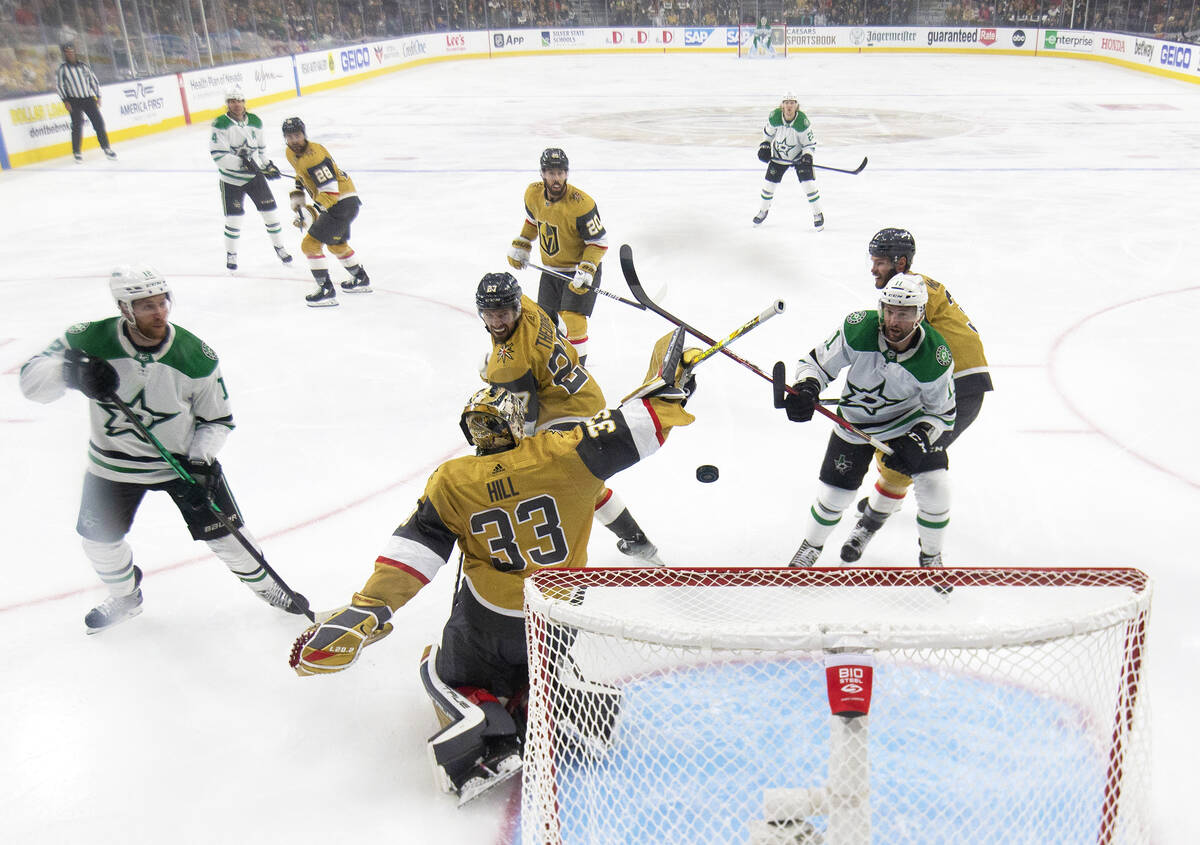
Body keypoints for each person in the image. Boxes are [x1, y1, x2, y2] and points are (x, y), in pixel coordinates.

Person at [288, 334, 698, 804]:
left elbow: (418, 548)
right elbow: (637, 427)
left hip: (486, 619)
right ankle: (555, 706)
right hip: (555, 618)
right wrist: (669, 389)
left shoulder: (453, 481)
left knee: (442, 671)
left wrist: (371, 607)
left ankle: (485, 733)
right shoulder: (568, 455)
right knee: (534, 669)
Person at [18, 264, 307, 633]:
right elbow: (30, 382)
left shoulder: (195, 356)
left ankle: (270, 590)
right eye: (146, 306)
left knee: (228, 536)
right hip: (112, 465)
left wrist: (201, 464)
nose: (159, 313)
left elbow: (217, 420)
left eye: (162, 302)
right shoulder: (87, 338)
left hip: (181, 464)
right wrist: (67, 372)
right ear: (125, 309)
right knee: (98, 540)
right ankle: (125, 597)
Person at [475, 271, 662, 562]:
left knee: (544, 485)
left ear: (515, 307)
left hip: (563, 415)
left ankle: (554, 564)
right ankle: (637, 541)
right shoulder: (528, 306)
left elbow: (524, 420)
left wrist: (502, 450)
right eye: (489, 314)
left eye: (502, 314)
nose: (497, 322)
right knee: (585, 482)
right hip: (585, 392)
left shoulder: (509, 365)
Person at [778, 274, 955, 569]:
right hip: (855, 425)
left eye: (904, 313)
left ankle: (931, 556)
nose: (894, 321)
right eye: (889, 311)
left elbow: (943, 413)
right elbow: (815, 364)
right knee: (835, 496)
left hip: (906, 425)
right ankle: (810, 547)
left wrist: (920, 436)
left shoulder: (935, 356)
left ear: (920, 315)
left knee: (936, 488)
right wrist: (808, 387)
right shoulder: (858, 328)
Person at [839, 228, 993, 563]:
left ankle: (874, 528)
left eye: (879, 262)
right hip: (954, 380)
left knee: (906, 455)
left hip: (958, 387)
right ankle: (887, 503)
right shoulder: (912, 290)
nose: (873, 269)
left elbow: (911, 349)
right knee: (903, 456)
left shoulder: (914, 292)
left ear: (901, 262)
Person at [506, 148, 606, 364]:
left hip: (579, 272)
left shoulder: (581, 203)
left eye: (561, 173)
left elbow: (598, 243)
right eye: (552, 173)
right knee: (546, 322)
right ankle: (553, 368)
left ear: (567, 174)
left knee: (573, 320)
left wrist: (587, 268)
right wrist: (523, 243)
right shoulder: (532, 194)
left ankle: (579, 370)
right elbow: (534, 221)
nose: (557, 178)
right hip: (552, 271)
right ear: (542, 174)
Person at [283, 116, 372, 307]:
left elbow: (330, 192)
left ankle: (326, 290)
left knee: (310, 245)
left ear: (304, 135)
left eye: (297, 135)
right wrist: (298, 202)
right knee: (335, 244)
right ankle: (360, 279)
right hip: (342, 202)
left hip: (341, 202)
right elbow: (301, 178)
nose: (294, 140)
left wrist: (311, 212)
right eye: (290, 137)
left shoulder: (314, 155)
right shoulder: (290, 153)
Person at [208, 87, 291, 272]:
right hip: (231, 180)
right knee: (234, 220)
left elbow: (261, 150)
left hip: (255, 177)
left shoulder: (255, 121)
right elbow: (218, 156)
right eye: (232, 101)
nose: (236, 104)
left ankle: (280, 247)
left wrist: (267, 165)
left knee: (270, 213)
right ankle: (231, 254)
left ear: (244, 102)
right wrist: (241, 163)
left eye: (239, 100)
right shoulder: (220, 124)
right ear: (227, 104)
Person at [753, 92, 823, 231]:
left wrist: (807, 156)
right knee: (768, 186)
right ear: (782, 106)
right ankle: (763, 210)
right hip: (778, 157)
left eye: (792, 103)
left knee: (808, 185)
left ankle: (817, 213)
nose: (789, 106)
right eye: (786, 103)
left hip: (798, 158)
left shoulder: (802, 122)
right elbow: (768, 135)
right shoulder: (775, 117)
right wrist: (765, 145)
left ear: (796, 106)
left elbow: (809, 144)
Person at [55, 42, 116, 162]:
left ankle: (106, 148)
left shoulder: (83, 66)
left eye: (72, 52)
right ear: (65, 54)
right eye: (67, 52)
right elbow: (60, 86)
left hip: (88, 99)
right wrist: (65, 100)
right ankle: (77, 152)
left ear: (75, 52)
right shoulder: (62, 69)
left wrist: (98, 95)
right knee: (77, 125)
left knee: (98, 123)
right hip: (74, 100)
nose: (70, 54)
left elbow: (93, 80)